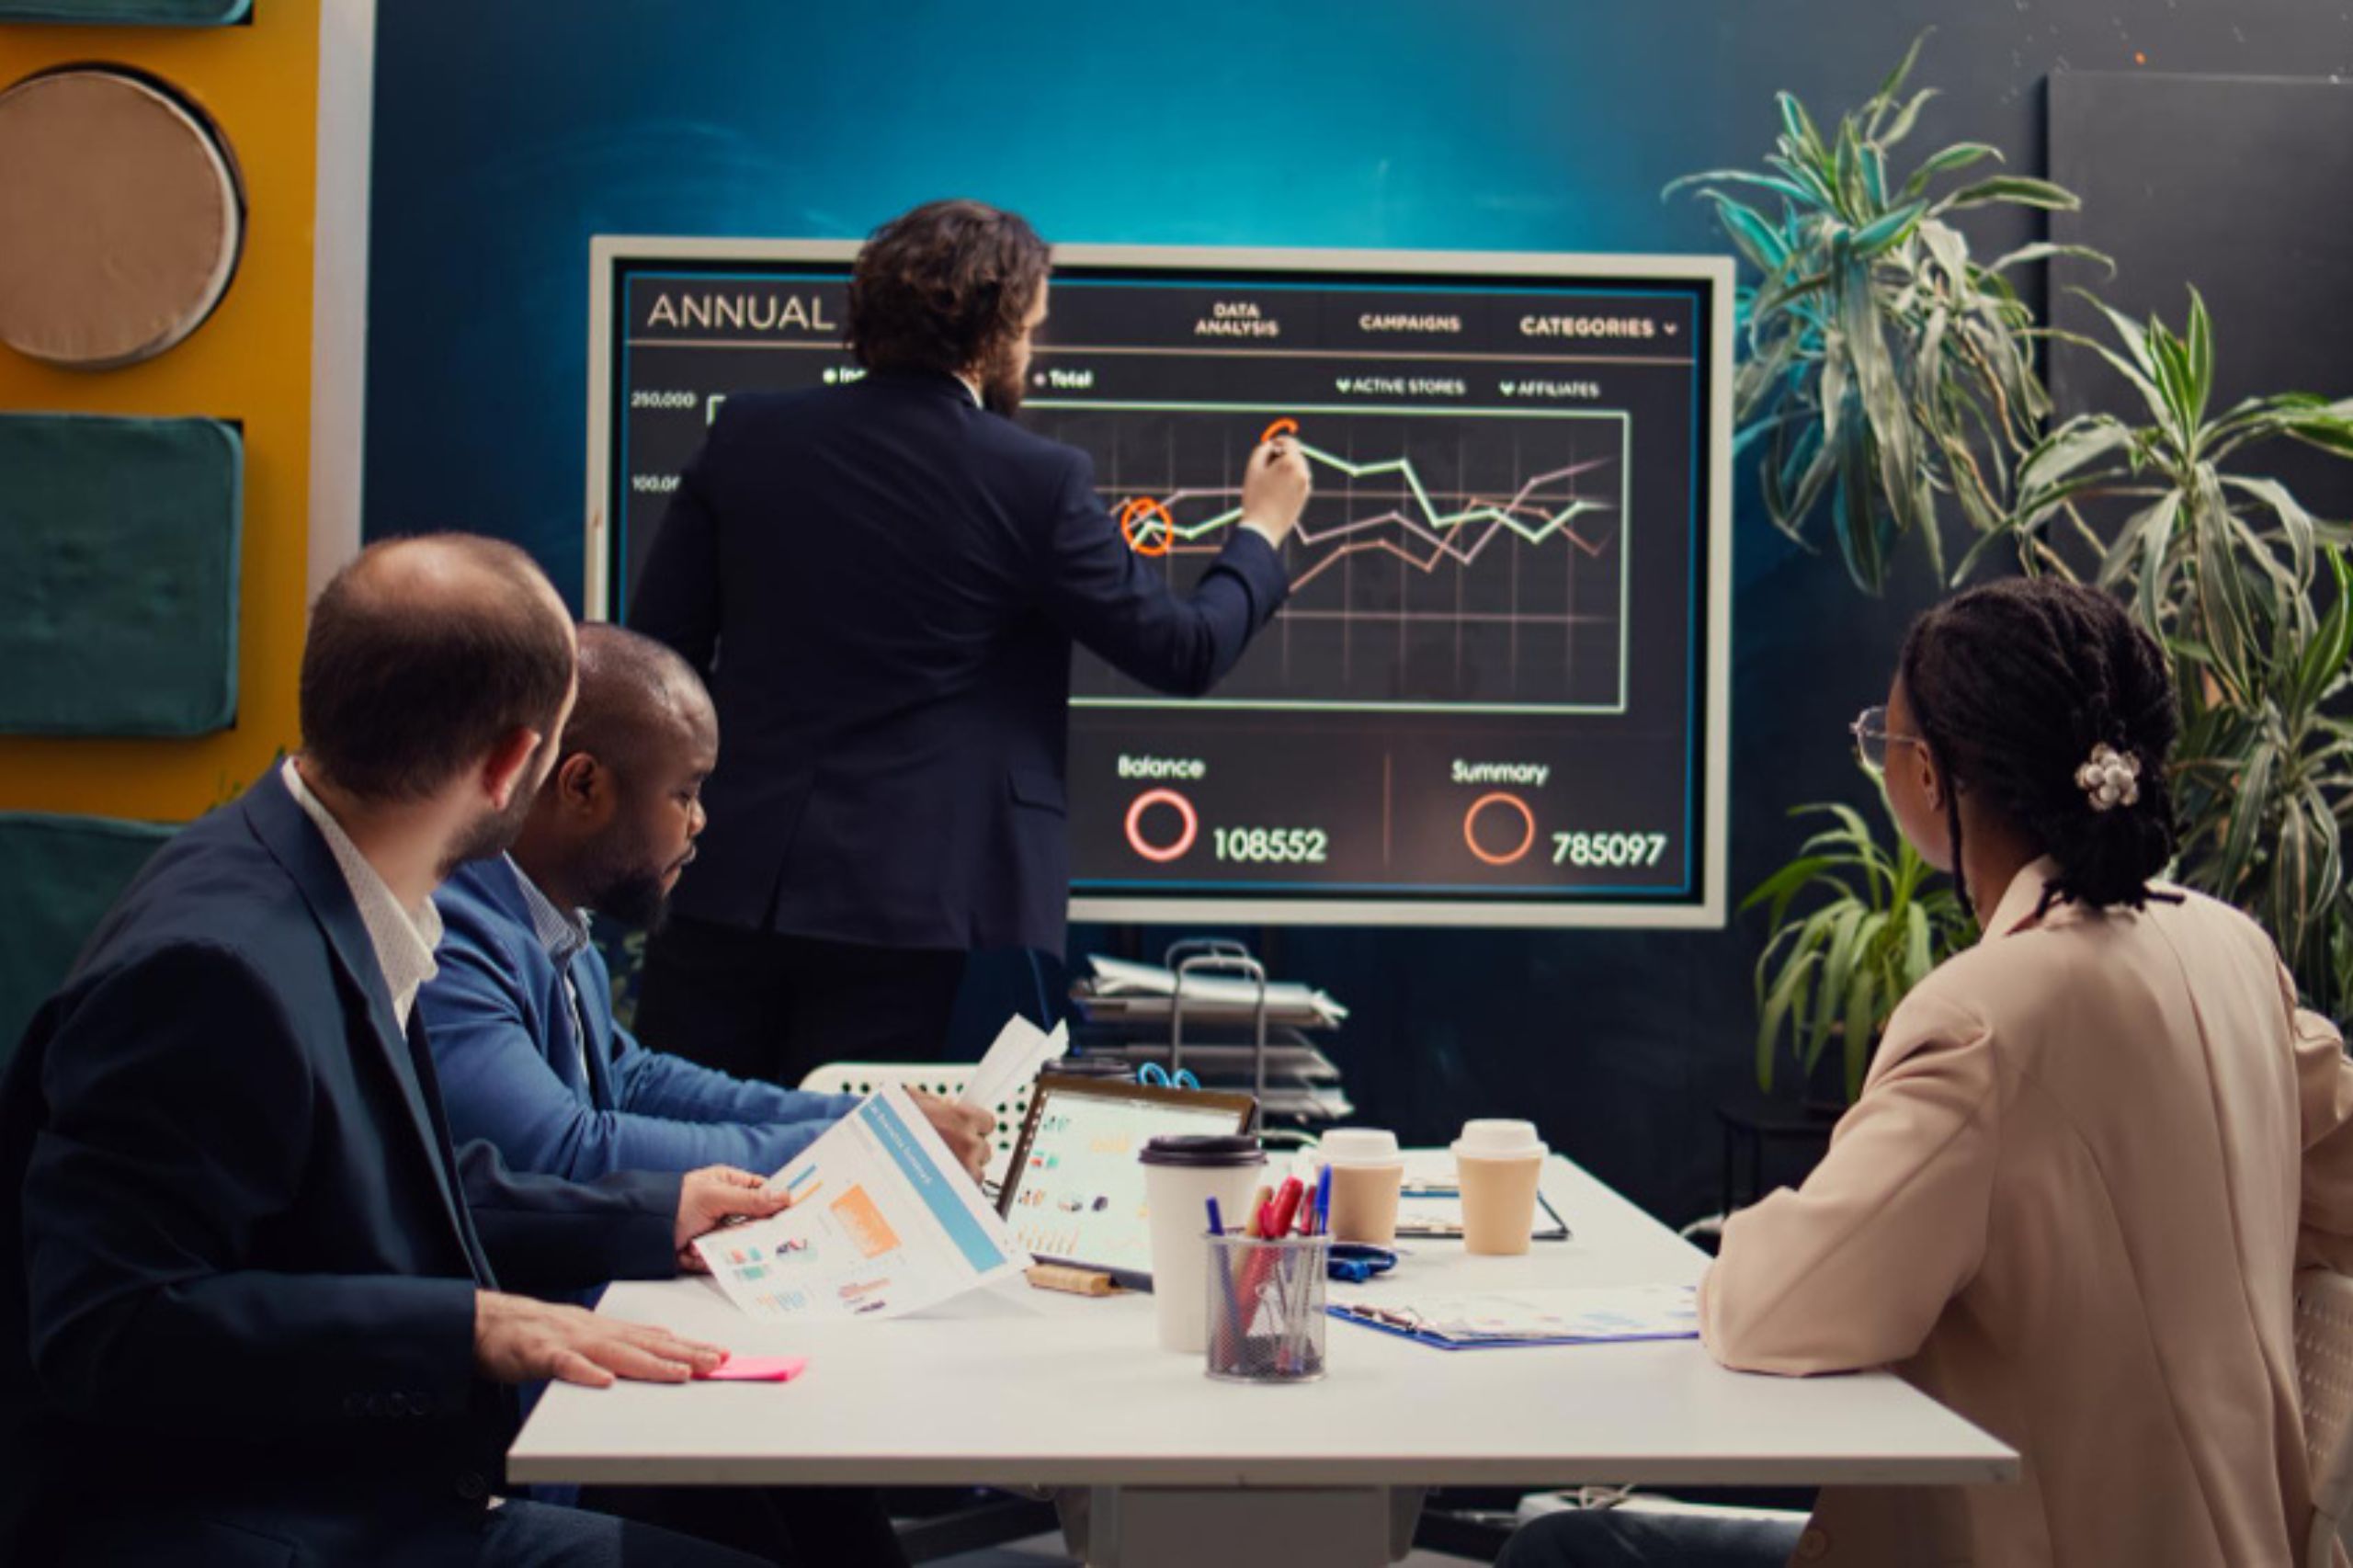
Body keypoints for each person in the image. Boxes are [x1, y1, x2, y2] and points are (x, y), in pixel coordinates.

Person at [1503, 575, 2353, 1567]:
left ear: (1929, 777)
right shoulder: (2231, 949)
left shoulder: (1990, 1013)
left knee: (1561, 1547)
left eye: (1883, 740)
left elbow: (1774, 1309)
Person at [0, 536, 788, 1567]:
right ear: (514, 763)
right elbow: (113, 1326)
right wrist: (459, 1326)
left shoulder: (316, 871)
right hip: (253, 1520)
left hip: (329, 1477)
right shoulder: (215, 967)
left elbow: (363, 1172)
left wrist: (647, 1211)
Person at [628, 198, 1313, 1087]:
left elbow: (659, 661)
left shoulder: (748, 435)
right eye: (1030, 330)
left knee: (684, 1144)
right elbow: (1181, 649)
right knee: (845, 1179)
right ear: (992, 337)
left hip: (727, 883)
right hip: (909, 907)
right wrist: (1260, 531)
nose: (1032, 352)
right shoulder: (1032, 477)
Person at [420, 622, 995, 1184]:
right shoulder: (451, 936)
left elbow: (633, 1081)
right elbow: (564, 1152)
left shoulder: (552, 923)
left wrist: (871, 1123)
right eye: (684, 793)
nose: (699, 821)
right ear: (583, 786)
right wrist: (872, 1148)